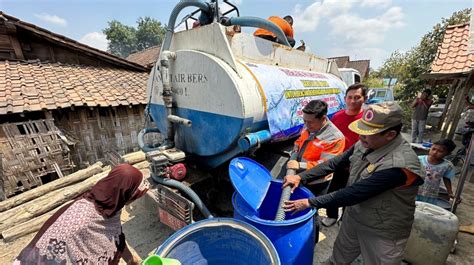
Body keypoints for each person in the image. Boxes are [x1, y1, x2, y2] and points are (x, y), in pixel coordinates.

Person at [283, 102, 424, 265]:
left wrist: (309, 202)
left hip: (382, 230)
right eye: (361, 130)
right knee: (338, 258)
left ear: (390, 135)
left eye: (367, 133)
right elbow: (334, 164)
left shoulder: (400, 164)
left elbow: (355, 193)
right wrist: (301, 177)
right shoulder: (365, 143)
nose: (361, 136)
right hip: (355, 217)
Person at [15, 164, 149, 265]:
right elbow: (49, 257)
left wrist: (132, 260)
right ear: (124, 193)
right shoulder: (81, 220)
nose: (134, 200)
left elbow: (116, 236)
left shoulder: (110, 204)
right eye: (134, 196)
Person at [322, 83, 367, 227]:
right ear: (345, 98)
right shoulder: (337, 116)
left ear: (364, 99)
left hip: (359, 162)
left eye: (357, 97)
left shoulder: (367, 119)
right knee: (333, 190)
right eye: (350, 97)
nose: (353, 101)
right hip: (338, 161)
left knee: (352, 192)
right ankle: (332, 215)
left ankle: (345, 220)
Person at [287, 99, 345, 195]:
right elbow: (299, 141)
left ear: (323, 118)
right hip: (301, 175)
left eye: (310, 122)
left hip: (316, 182)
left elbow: (326, 164)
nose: (306, 124)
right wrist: (295, 153)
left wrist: (299, 165)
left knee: (311, 206)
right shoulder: (309, 125)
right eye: (304, 120)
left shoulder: (335, 138)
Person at [417, 139, 456, 204]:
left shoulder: (447, 165)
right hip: (414, 191)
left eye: (440, 151)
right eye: (433, 149)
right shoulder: (419, 159)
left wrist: (450, 192)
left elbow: (446, 178)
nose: (435, 152)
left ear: (447, 153)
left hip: (431, 194)